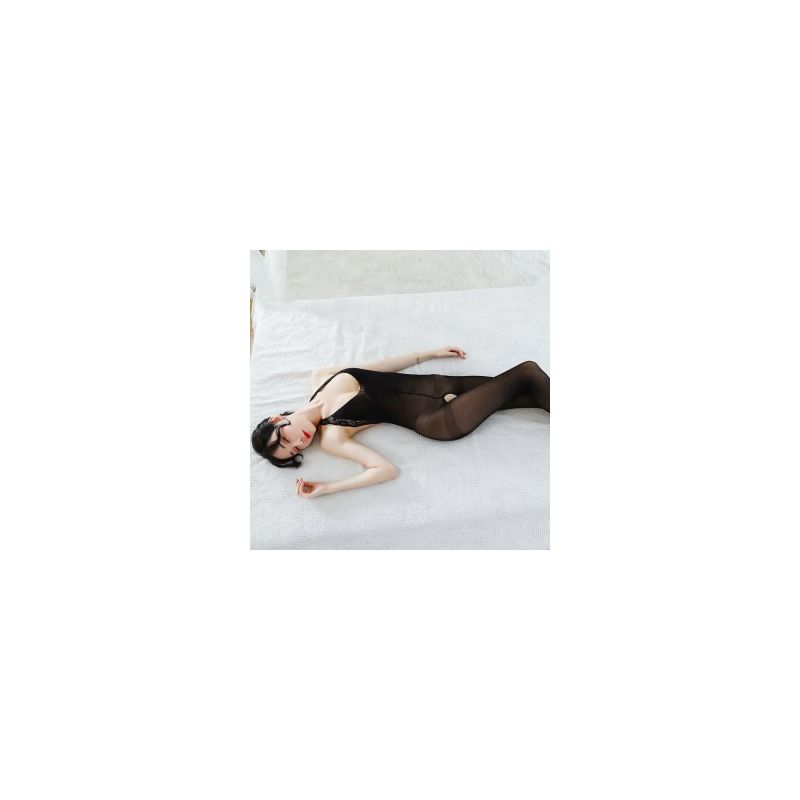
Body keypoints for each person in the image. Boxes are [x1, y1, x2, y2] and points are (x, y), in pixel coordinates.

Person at [251, 346, 550, 499]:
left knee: (532, 394)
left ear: (277, 419)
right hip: (440, 420)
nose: (300, 442)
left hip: (441, 383)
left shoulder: (319, 378)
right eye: (294, 450)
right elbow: (385, 469)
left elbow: (380, 366)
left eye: (286, 438)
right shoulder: (331, 438)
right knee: (527, 372)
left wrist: (426, 354)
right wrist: (329, 488)